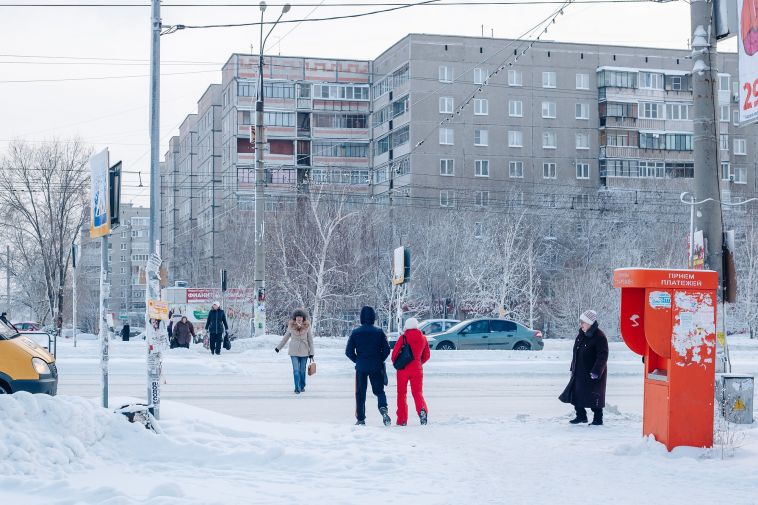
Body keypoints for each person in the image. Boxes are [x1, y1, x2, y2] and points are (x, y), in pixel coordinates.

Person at [559, 310, 609, 426]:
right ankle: (581, 416)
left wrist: (596, 371)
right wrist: (573, 368)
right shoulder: (581, 335)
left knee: (594, 395)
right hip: (579, 371)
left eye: (583, 322)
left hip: (593, 373)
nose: (581, 325)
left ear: (590, 323)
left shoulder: (599, 336)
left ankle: (598, 419)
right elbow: (576, 353)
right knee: (576, 393)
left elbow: (603, 356)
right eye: (580, 322)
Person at [345, 306, 391, 426]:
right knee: (379, 391)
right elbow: (386, 350)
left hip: (361, 367)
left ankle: (361, 419)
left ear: (361, 317)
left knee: (360, 393)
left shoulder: (355, 332)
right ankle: (383, 408)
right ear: (373, 317)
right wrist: (379, 359)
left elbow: (348, 352)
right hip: (376, 366)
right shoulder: (379, 332)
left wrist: (358, 360)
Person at [391, 317, 430, 426]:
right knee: (417, 393)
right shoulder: (423, 338)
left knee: (402, 394)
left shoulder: (403, 338)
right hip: (417, 369)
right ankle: (422, 410)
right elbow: (427, 355)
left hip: (403, 370)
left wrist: (399, 362)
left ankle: (402, 420)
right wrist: (418, 362)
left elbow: (394, 356)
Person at [275, 308, 314, 394]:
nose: (299, 318)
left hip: (304, 351)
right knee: (296, 370)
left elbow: (310, 340)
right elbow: (286, 337)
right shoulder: (291, 326)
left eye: (300, 317)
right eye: (297, 317)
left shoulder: (307, 326)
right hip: (293, 351)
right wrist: (279, 347)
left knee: (302, 370)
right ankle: (297, 388)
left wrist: (312, 353)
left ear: (303, 318)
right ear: (295, 318)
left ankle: (302, 385)